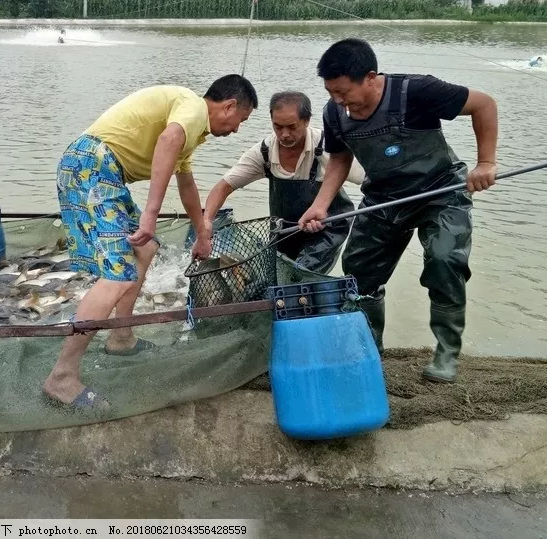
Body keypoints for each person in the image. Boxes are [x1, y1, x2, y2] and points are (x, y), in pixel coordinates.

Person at [44, 76, 259, 409]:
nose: (236, 130)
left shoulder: (191, 130)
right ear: (229, 105)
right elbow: (168, 138)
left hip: (100, 169)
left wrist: (203, 231)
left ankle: (121, 336)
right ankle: (62, 376)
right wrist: (150, 214)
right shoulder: (192, 108)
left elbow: (185, 182)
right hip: (91, 167)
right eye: (240, 121)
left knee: (145, 247)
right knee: (118, 274)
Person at [298, 39, 498, 384]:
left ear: (371, 78)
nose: (338, 101)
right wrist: (320, 205)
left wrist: (486, 162)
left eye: (344, 92)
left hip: (440, 192)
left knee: (444, 259)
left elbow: (484, 104)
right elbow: (340, 160)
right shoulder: (334, 113)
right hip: (384, 199)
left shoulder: (417, 91)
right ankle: (369, 348)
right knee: (358, 273)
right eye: (331, 92)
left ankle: (446, 352)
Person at [201, 90, 365, 275]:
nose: (284, 134)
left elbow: (369, 179)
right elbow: (223, 186)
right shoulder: (264, 152)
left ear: (307, 121)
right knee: (275, 278)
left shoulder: (329, 148)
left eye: (292, 127)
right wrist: (206, 221)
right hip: (285, 231)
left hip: (326, 231)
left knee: (302, 273)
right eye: (278, 127)